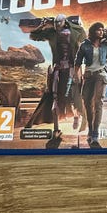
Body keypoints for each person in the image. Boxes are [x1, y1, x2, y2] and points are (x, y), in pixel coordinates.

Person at [28, 14, 86, 148]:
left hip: (72, 69)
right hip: (58, 68)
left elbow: (83, 35)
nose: (57, 26)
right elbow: (33, 36)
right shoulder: (52, 33)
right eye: (55, 24)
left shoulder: (74, 31)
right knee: (54, 97)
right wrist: (41, 26)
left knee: (74, 96)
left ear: (64, 22)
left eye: (59, 23)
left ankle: (77, 116)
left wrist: (72, 24)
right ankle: (56, 129)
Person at [74, 22, 107, 148]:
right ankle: (90, 129)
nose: (101, 32)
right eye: (99, 30)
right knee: (87, 104)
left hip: (101, 75)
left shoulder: (106, 45)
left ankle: (95, 134)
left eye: (102, 30)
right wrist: (76, 77)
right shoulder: (85, 45)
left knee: (98, 103)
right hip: (88, 76)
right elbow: (77, 62)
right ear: (93, 31)